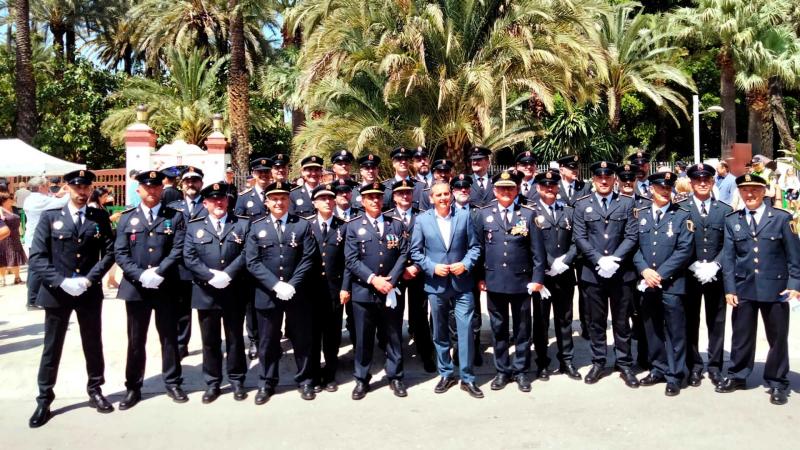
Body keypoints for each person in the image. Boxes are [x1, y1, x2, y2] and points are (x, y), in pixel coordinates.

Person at [27, 170, 115, 428]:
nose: (82, 191)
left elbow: (109, 253)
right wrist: (62, 281)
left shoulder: (99, 217)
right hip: (58, 292)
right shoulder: (50, 217)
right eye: (77, 187)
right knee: (52, 346)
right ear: (67, 187)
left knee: (92, 342)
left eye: (86, 186)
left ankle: (95, 390)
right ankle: (44, 398)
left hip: (88, 291)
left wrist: (90, 279)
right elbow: (38, 258)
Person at [716, 173, 800, 405]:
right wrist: (729, 289)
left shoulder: (782, 218)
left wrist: (794, 285)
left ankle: (777, 381)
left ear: (764, 192)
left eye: (754, 190)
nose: (750, 194)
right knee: (741, 336)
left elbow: (795, 256)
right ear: (740, 193)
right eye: (745, 190)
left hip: (776, 288)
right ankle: (738, 375)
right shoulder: (733, 220)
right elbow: (729, 259)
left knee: (777, 337)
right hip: (744, 287)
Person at [114, 170, 188, 409]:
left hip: (165, 285)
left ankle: (173, 382)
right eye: (147, 187)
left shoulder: (174, 217)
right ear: (139, 190)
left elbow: (178, 249)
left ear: (161, 189)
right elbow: (121, 253)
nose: (152, 191)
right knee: (136, 339)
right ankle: (133, 387)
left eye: (156, 187)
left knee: (168, 336)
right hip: (136, 288)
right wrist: (140, 274)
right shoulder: (126, 218)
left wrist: (159, 272)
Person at [245, 180, 318, 404]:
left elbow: (308, 258)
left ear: (289, 200)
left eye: (283, 198)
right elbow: (252, 261)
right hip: (268, 293)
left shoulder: (302, 225)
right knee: (268, 341)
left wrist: (292, 284)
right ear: (267, 202)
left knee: (302, 339)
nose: (279, 202)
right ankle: (267, 382)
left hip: (297, 293)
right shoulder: (256, 227)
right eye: (274, 199)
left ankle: (305, 380)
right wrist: (276, 285)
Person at [474, 170, 545, 392]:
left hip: (521, 281)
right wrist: (480, 278)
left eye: (510, 188)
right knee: (499, 328)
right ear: (494, 191)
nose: (506, 192)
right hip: (494, 281)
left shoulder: (528, 213)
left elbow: (538, 253)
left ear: (516, 190)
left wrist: (537, 279)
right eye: (502, 188)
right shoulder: (483, 214)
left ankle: (521, 371)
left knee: (523, 328)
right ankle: (502, 371)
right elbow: (478, 249)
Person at [411, 181, 482, 398]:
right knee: (440, 332)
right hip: (436, 285)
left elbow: (475, 247)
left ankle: (467, 377)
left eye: (446, 194)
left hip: (462, 284)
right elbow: (415, 251)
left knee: (466, 330)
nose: (443, 198)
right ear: (431, 198)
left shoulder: (464, 216)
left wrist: (466, 264)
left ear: (450, 195)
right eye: (438, 195)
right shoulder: (422, 220)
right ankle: (446, 373)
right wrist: (432, 267)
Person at [572, 161, 639, 388]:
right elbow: (579, 237)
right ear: (593, 179)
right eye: (599, 177)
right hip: (593, 273)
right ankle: (598, 362)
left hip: (621, 273)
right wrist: (599, 259)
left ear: (614, 179)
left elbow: (631, 236)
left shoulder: (627, 203)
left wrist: (614, 259)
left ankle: (624, 363)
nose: (603, 181)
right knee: (596, 323)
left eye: (608, 177)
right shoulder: (582, 205)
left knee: (622, 322)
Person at [182, 182, 249, 404]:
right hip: (206, 292)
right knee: (209, 340)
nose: (218, 203)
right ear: (205, 203)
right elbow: (189, 257)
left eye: (222, 199)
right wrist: (210, 276)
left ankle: (238, 379)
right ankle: (212, 382)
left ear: (228, 201)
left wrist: (228, 274)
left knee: (235, 338)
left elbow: (247, 252)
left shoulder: (241, 224)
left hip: (234, 290)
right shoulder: (194, 227)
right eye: (213, 200)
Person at [343, 182, 410, 399]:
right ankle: (362, 379)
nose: (375, 201)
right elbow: (351, 260)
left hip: (390, 289)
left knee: (393, 336)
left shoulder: (396, 224)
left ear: (383, 200)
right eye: (370, 197)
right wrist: (374, 280)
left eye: (378, 197)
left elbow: (403, 254)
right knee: (363, 339)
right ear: (362, 201)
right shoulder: (353, 226)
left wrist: (390, 280)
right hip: (364, 292)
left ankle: (396, 377)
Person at [633, 172, 694, 397]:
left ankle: (675, 375)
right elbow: (634, 247)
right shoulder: (640, 215)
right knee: (652, 328)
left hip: (672, 284)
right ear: (651, 189)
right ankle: (658, 368)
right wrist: (645, 270)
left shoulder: (682, 215)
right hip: (647, 282)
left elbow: (684, 250)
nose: (664, 192)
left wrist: (659, 274)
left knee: (675, 330)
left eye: (668, 188)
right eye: (660, 188)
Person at [678, 164, 732, 387]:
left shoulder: (725, 210)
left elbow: (729, 244)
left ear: (712, 182)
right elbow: (678, 243)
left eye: (707, 180)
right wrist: (691, 264)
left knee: (716, 322)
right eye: (698, 180)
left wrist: (716, 264)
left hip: (716, 276)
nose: (702, 183)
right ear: (691, 183)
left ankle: (715, 366)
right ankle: (694, 365)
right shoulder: (680, 209)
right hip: (690, 275)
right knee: (690, 320)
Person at [528, 171, 581, 380]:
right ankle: (542, 362)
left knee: (565, 319)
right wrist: (551, 263)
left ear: (558, 187)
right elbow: (533, 244)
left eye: (553, 185)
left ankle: (566, 360)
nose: (549, 188)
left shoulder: (568, 211)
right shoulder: (531, 212)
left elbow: (577, 240)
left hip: (565, 274)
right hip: (543, 276)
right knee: (541, 321)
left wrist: (565, 262)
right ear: (538, 188)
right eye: (545, 185)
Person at [385, 179, 435, 373]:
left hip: (417, 273)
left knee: (420, 316)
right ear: (394, 197)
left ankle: (425, 353)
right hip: (395, 275)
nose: (405, 196)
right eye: (400, 193)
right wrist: (398, 271)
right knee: (394, 317)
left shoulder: (423, 216)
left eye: (408, 193)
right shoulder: (387, 217)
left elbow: (431, 244)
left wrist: (416, 267)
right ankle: (396, 357)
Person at [308, 183, 351, 392]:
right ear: (314, 202)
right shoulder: (306, 226)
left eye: (330, 198)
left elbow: (349, 261)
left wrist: (345, 288)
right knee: (313, 334)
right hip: (313, 290)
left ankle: (331, 373)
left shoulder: (343, 226)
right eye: (322, 199)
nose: (327, 201)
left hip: (335, 289)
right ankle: (315, 374)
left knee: (332, 334)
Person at [235, 158, 273, 359]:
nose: (264, 175)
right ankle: (255, 339)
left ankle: (273, 336)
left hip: (274, 254)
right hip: (253, 255)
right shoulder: (244, 198)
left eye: (267, 172)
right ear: (254, 174)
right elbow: (238, 227)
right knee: (252, 301)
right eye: (260, 172)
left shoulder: (279, 194)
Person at [168, 167, 207, 360]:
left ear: (201, 183)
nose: (191, 184)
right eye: (187, 181)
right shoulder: (174, 206)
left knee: (206, 310)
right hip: (181, 266)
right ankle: (182, 344)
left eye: (195, 181)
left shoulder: (209, 204)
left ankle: (209, 344)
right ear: (181, 184)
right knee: (181, 309)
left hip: (204, 265)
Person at [22, 177, 69, 309]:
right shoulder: (40, 199)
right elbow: (61, 202)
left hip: (33, 237)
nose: (48, 187)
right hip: (40, 238)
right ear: (41, 187)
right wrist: (70, 191)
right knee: (37, 269)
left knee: (34, 268)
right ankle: (32, 299)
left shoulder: (31, 198)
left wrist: (58, 194)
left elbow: (52, 199)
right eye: (47, 185)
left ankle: (33, 297)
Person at [0, 193, 27, 285]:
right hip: (5, 237)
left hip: (15, 236)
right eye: (9, 199)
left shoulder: (14, 208)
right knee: (3, 257)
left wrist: (21, 229)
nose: (12, 200)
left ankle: (17, 277)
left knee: (16, 256)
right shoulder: (0, 210)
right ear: (4, 201)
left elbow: (18, 220)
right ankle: (2, 279)